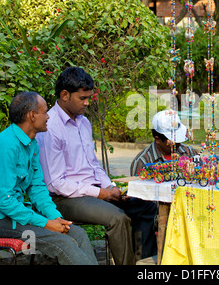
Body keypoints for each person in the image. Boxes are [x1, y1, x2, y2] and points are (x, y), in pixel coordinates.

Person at [36, 67, 157, 265]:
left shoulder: (83, 122)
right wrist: (100, 193)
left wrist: (108, 187)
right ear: (64, 95)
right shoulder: (51, 127)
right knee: (118, 219)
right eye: (82, 98)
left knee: (146, 207)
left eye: (89, 98)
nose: (87, 103)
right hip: (64, 198)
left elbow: (93, 165)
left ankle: (142, 263)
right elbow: (56, 183)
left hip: (92, 190)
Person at [0, 92, 97, 265]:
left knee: (77, 233)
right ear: (32, 116)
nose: (48, 116)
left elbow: (37, 187)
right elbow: (4, 201)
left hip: (14, 215)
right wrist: (45, 223)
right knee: (63, 242)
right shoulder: (5, 145)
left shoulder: (31, 143)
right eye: (45, 112)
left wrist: (54, 217)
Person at [130, 109, 197, 177]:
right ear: (157, 139)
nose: (178, 144)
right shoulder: (143, 162)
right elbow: (136, 186)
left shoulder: (190, 152)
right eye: (173, 141)